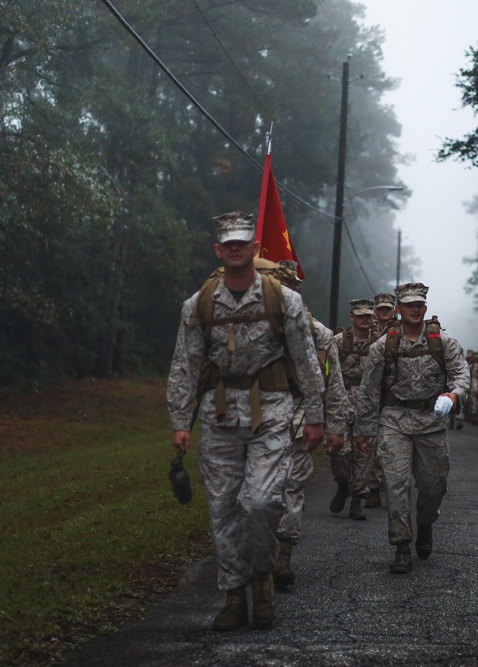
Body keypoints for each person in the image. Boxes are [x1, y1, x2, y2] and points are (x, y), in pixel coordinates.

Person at [167, 211, 326, 631]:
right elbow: (186, 365)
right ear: (219, 251)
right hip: (219, 417)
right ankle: (234, 594)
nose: (236, 248)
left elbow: (306, 361)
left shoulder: (284, 300)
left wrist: (314, 415)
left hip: (272, 412)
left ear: (254, 248)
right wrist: (181, 420)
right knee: (223, 510)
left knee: (261, 503)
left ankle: (262, 577)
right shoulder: (199, 304)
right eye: (228, 243)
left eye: (243, 242)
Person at [353, 283, 470, 574]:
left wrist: (454, 394)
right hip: (394, 420)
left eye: (419, 304)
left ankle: (426, 523)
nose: (415, 309)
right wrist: (363, 429)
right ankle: (402, 546)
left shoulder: (442, 342)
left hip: (431, 422)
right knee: (396, 485)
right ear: (399, 309)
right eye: (408, 305)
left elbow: (461, 374)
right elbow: (368, 389)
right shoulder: (385, 345)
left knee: (433, 486)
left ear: (426, 307)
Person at [274, 308, 348, 583]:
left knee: (292, 487)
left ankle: (283, 554)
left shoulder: (318, 334)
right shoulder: (246, 321)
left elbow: (333, 383)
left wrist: (336, 428)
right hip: (253, 423)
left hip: (300, 420)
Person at [329, 299, 379, 520]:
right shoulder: (338, 341)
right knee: (339, 452)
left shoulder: (380, 343)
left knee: (364, 455)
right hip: (341, 401)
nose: (365, 319)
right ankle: (342, 484)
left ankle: (358, 499)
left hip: (368, 404)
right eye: (360, 315)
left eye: (368, 315)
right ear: (352, 317)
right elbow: (327, 371)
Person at [363, 292, 397, 508]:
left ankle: (387, 481)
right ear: (376, 310)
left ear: (394, 309)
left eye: (388, 308)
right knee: (370, 441)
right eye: (381, 309)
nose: (384, 312)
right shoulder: (365, 328)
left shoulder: (401, 330)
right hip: (368, 387)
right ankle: (372, 486)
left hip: (392, 391)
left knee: (389, 442)